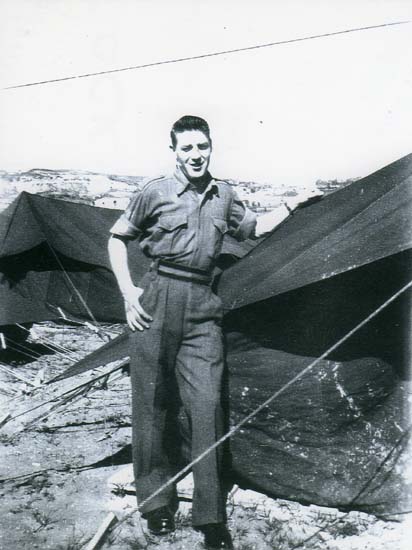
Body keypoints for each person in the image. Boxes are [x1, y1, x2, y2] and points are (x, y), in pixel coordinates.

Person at [108, 115, 321, 549]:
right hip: (157, 297)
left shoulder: (224, 194)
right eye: (186, 148)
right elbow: (116, 238)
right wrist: (129, 293)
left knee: (207, 405)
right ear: (174, 151)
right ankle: (156, 504)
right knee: (152, 402)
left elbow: (254, 228)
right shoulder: (155, 191)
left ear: (211, 146)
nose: (195, 155)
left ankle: (210, 516)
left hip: (203, 304)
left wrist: (294, 204)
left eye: (201, 146)